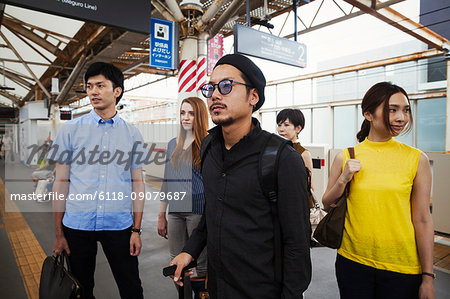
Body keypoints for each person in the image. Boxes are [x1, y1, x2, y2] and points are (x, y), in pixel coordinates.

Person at [169, 54, 312, 298]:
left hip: (262, 290)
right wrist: (189, 250)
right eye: (210, 87)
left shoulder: (282, 159)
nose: (215, 94)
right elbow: (212, 213)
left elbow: (297, 244)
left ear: (253, 97)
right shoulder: (209, 148)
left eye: (226, 86)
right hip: (217, 286)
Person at [322, 82, 435, 299]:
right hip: (352, 262)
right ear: (368, 115)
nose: (401, 117)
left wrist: (428, 277)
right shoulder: (346, 156)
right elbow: (327, 203)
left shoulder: (417, 159)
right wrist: (343, 179)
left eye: (406, 110)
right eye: (392, 110)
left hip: (402, 267)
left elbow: (422, 219)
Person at [50, 62, 145, 299]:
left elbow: (138, 183)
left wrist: (136, 229)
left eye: (100, 85)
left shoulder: (132, 134)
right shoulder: (70, 130)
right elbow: (60, 182)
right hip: (77, 225)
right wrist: (59, 233)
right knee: (81, 290)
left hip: (119, 225)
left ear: (117, 91)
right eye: (89, 86)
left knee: (132, 288)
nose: (93, 91)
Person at [157, 97, 209, 296]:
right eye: (182, 112)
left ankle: (202, 295)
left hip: (198, 211)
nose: (185, 117)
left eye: (191, 113)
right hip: (175, 212)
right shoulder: (173, 144)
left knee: (202, 264)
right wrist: (162, 214)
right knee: (176, 262)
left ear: (200, 116)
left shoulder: (206, 144)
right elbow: (166, 181)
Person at [276, 108, 314, 192]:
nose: (281, 129)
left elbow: (309, 185)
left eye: (286, 125)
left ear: (298, 129)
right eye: (279, 125)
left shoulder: (303, 153)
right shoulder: (274, 150)